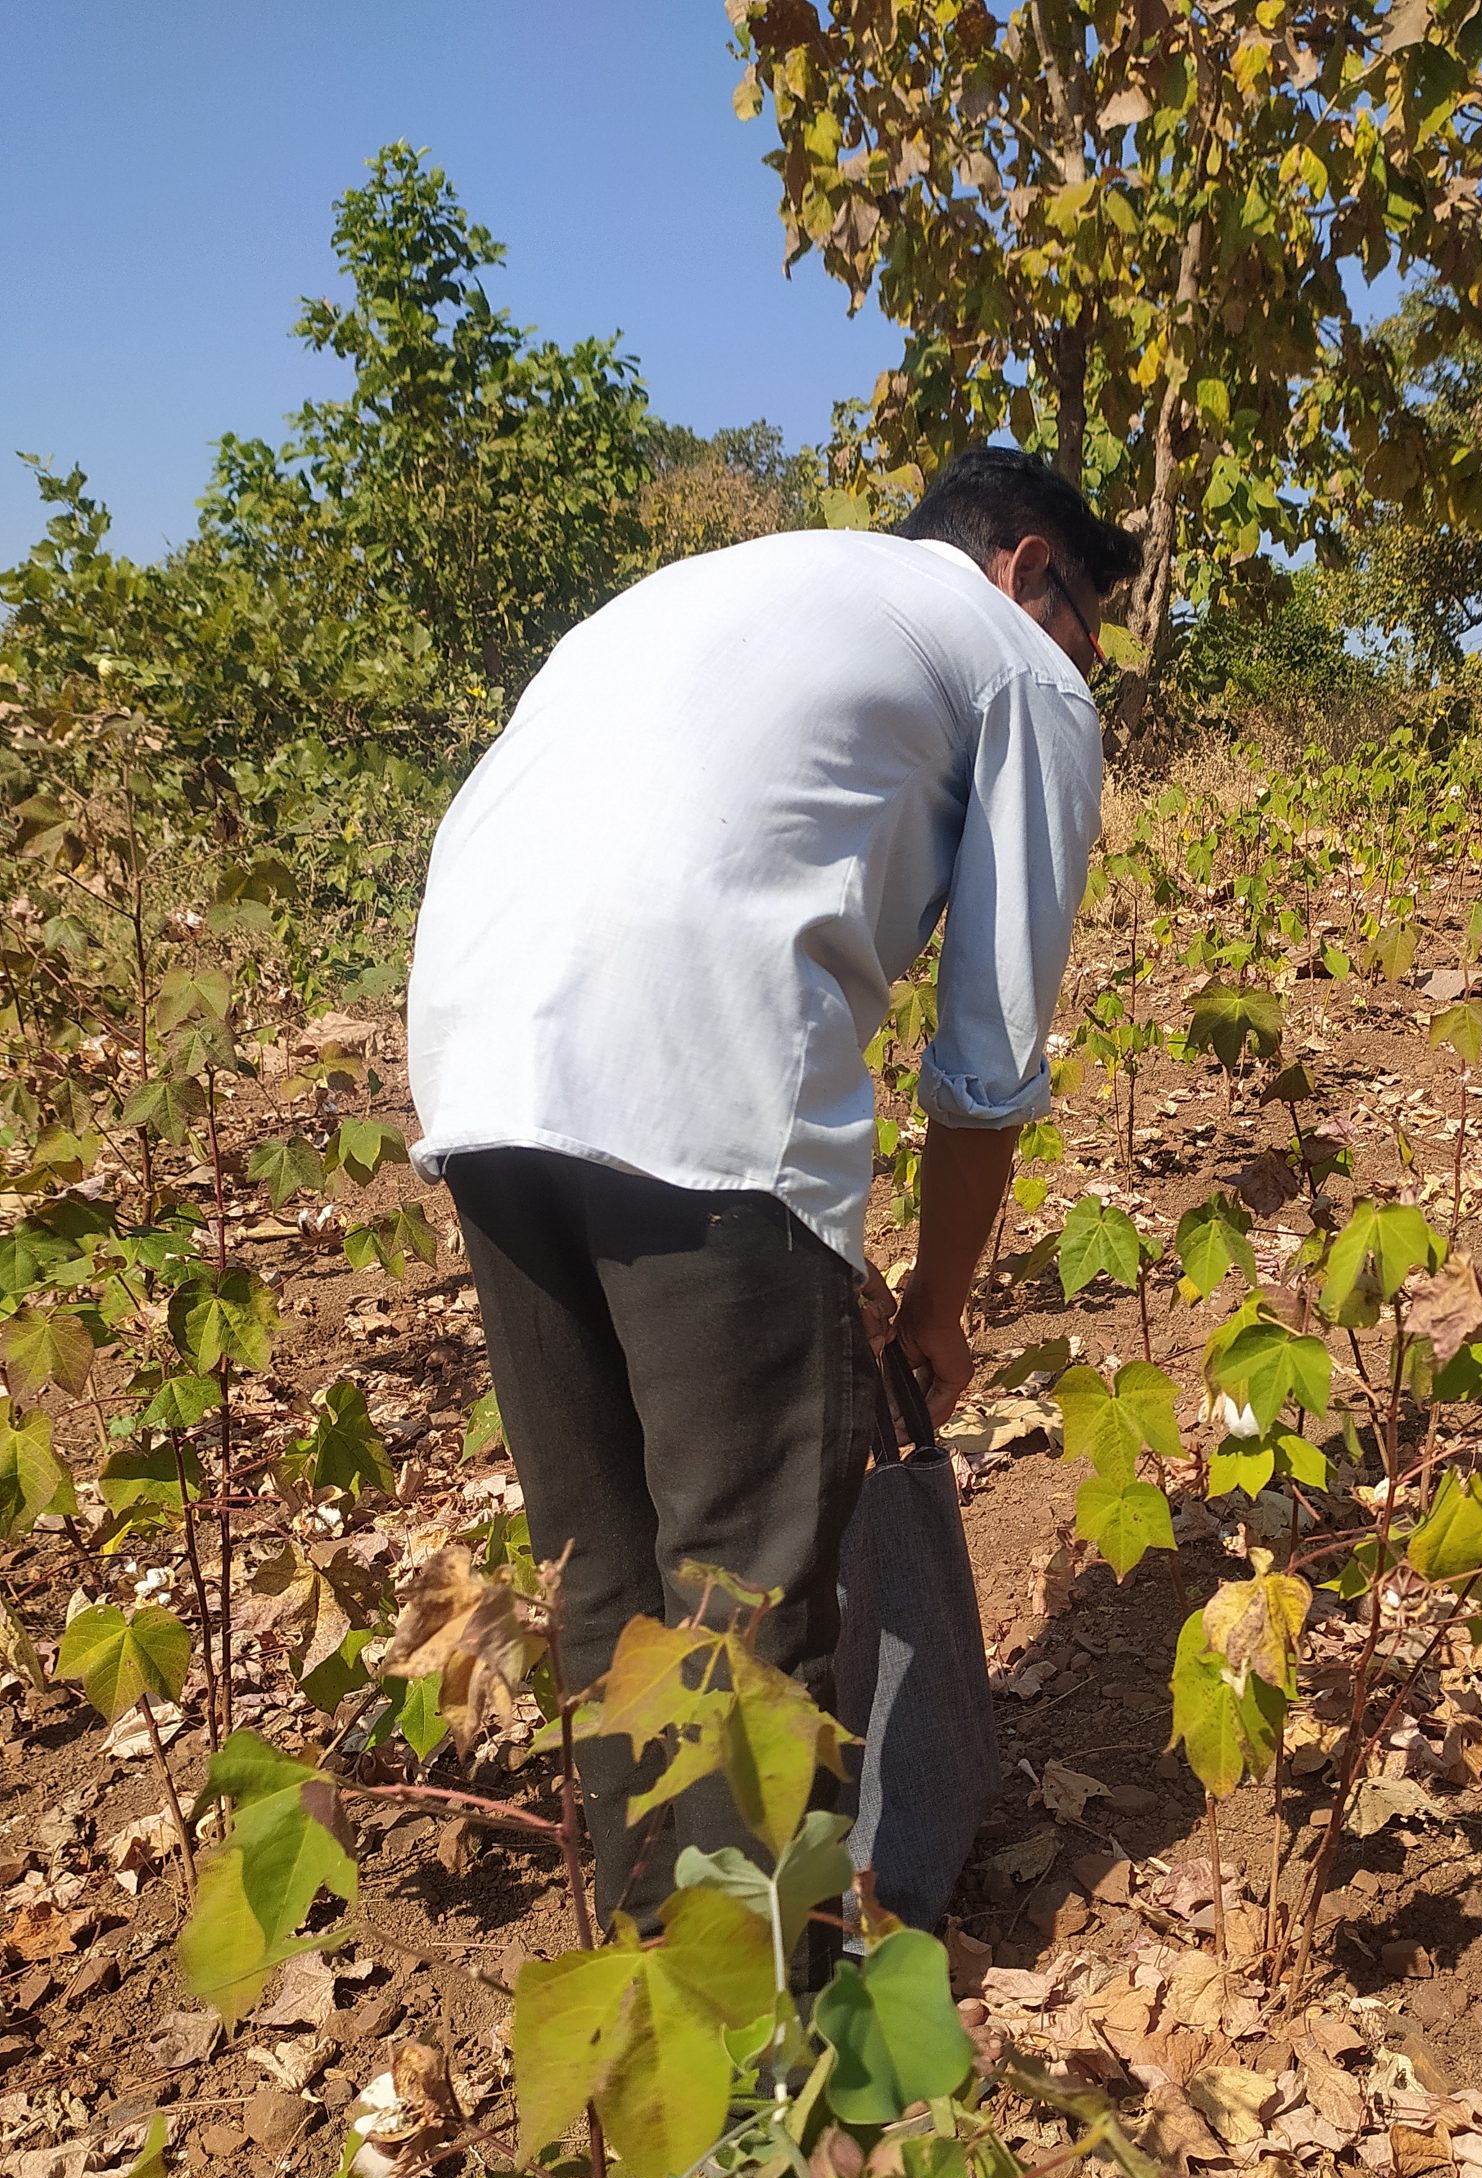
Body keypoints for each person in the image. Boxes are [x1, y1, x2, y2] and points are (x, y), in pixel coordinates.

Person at [405, 445, 1142, 1953]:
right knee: (747, 1599)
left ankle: (655, 1994)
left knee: (607, 1581)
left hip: (475, 1047)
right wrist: (939, 1306)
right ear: (1023, 570)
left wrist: (825, 1246)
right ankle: (773, 2058)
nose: (1091, 661)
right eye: (1089, 619)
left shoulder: (751, 591)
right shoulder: (1018, 671)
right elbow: (986, 1059)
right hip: (694, 1046)